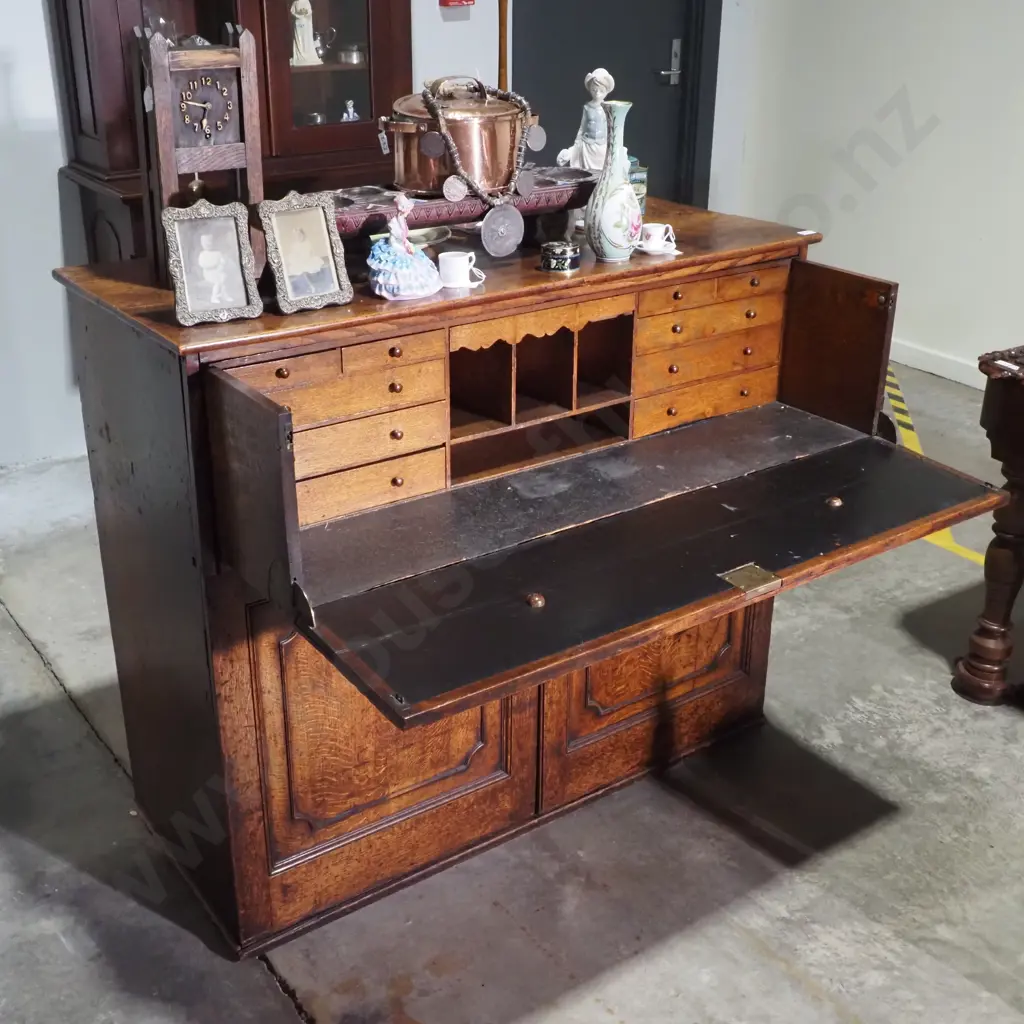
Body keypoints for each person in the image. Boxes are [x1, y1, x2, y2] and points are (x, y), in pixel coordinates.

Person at [367, 194, 442, 300]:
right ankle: (396, 291)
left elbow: (403, 238)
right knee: (399, 270)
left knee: (418, 266)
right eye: (408, 210)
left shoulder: (403, 221)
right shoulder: (394, 223)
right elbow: (393, 240)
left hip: (403, 247)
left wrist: (407, 245)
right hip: (396, 248)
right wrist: (403, 249)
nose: (408, 213)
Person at [557, 68, 629, 175]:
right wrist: (575, 147)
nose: (597, 94)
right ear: (590, 89)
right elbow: (582, 128)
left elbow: (612, 129)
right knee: (587, 174)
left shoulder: (608, 108)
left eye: (601, 91)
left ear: (606, 91)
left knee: (603, 174)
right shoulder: (587, 108)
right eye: (594, 90)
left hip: (602, 147)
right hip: (587, 147)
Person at [284, 226, 335, 297]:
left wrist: (303, 258)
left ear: (303, 235)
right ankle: (307, 285)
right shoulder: (295, 245)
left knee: (310, 266)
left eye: (300, 235)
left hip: (307, 259)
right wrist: (295, 258)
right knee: (294, 266)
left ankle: (314, 284)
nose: (298, 237)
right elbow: (294, 253)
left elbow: (308, 253)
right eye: (296, 236)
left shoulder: (307, 243)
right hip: (299, 260)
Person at [196, 233, 233, 306]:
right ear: (202, 244)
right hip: (208, 274)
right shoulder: (203, 254)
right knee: (218, 282)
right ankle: (214, 297)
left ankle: (224, 295)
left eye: (210, 242)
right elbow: (202, 264)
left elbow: (222, 261)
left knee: (223, 280)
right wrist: (214, 265)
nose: (209, 244)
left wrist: (222, 263)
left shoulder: (217, 253)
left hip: (218, 272)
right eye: (206, 243)